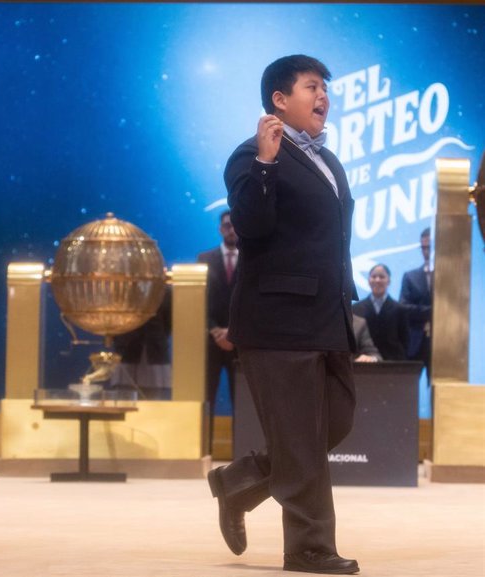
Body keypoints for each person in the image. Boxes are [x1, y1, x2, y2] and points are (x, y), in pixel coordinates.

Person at [207, 55, 359, 575]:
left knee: (332, 423)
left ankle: (239, 483)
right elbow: (250, 225)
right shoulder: (250, 154)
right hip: (277, 321)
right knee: (299, 437)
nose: (324, 97)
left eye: (325, 89)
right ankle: (310, 547)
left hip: (329, 318)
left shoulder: (328, 160)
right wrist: (266, 165)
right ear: (279, 99)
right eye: (312, 87)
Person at [197, 209, 238, 453]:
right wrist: (214, 330)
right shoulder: (204, 259)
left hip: (240, 343)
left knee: (241, 401)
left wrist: (234, 332)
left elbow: (253, 301)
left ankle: (240, 454)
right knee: (206, 399)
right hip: (209, 344)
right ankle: (204, 452)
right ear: (220, 229)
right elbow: (197, 301)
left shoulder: (253, 258)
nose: (231, 229)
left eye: (235, 225)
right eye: (227, 225)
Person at [111, 288, 172, 400]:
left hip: (155, 352)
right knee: (124, 399)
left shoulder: (165, 292)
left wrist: (157, 336)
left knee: (154, 402)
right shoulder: (121, 289)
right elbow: (113, 319)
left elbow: (169, 323)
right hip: (126, 351)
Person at [353, 264, 410, 361]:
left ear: (389, 281)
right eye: (373, 276)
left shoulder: (400, 309)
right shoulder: (356, 309)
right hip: (363, 364)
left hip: (393, 365)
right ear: (368, 280)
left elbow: (405, 341)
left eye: (382, 277)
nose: (377, 280)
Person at [399, 228, 432, 377]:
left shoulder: (450, 278)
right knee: (407, 388)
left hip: (443, 343)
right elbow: (403, 307)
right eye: (423, 248)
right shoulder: (410, 276)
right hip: (415, 341)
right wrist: (433, 311)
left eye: (430, 247)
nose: (426, 252)